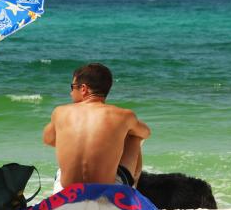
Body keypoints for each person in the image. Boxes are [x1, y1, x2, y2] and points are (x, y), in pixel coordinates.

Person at [43, 63, 151, 192]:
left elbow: (48, 139)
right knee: (135, 136)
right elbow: (146, 133)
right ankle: (132, 192)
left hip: (67, 192)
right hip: (106, 193)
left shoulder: (60, 112)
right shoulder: (124, 115)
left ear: (83, 89)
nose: (70, 92)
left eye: (72, 87)